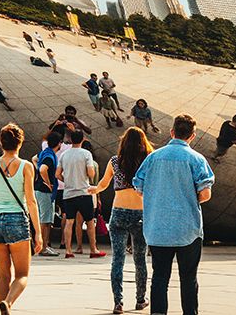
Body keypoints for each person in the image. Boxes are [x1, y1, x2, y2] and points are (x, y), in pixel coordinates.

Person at [133, 114, 214, 315]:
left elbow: (138, 188)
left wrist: (158, 198)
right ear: (192, 136)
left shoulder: (153, 158)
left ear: (172, 132)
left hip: (157, 229)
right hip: (188, 230)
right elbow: (205, 193)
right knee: (188, 277)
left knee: (160, 277)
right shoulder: (196, 159)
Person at [0, 123, 43, 315]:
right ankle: (7, 303)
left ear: (0, 142)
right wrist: (38, 232)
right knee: (22, 275)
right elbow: (31, 201)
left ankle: (3, 309)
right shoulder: (26, 166)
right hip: (17, 220)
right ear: (20, 143)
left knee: (3, 275)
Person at [89, 127, 153, 314]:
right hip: (141, 213)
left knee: (118, 259)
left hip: (119, 213)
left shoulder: (115, 161)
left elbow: (103, 183)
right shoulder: (148, 161)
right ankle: (140, 300)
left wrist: (94, 190)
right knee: (140, 259)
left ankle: (118, 302)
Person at [56, 128, 105, 258]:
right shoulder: (86, 154)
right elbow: (91, 173)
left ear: (71, 140)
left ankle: (68, 250)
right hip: (84, 192)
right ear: (82, 139)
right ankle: (93, 249)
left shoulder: (64, 155)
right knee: (89, 222)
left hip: (69, 193)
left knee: (69, 222)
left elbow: (57, 174)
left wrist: (67, 181)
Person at [34, 131, 61, 256]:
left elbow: (34, 159)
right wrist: (48, 182)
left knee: (45, 218)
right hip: (45, 192)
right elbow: (43, 169)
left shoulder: (45, 152)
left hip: (40, 190)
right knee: (45, 220)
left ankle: (42, 245)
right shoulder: (50, 156)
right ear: (59, 143)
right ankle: (43, 246)